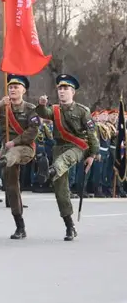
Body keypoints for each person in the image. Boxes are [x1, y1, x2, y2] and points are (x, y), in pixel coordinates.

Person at [35, 74, 99, 241]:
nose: (62, 92)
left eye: (65, 89)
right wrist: (41, 105)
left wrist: (92, 155)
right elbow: (44, 112)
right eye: (60, 89)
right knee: (61, 191)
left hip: (78, 147)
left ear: (73, 92)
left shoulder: (82, 111)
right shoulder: (55, 109)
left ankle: (49, 171)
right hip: (58, 147)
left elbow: (92, 135)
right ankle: (69, 226)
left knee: (66, 159)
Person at [0, 74, 39, 239]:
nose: (12, 89)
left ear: (23, 90)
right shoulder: (4, 107)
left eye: (16, 87)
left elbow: (33, 131)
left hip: (24, 148)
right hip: (7, 149)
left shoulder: (30, 109)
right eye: (10, 87)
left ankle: (2, 161)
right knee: (12, 188)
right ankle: (20, 225)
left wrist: (15, 141)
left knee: (13, 152)